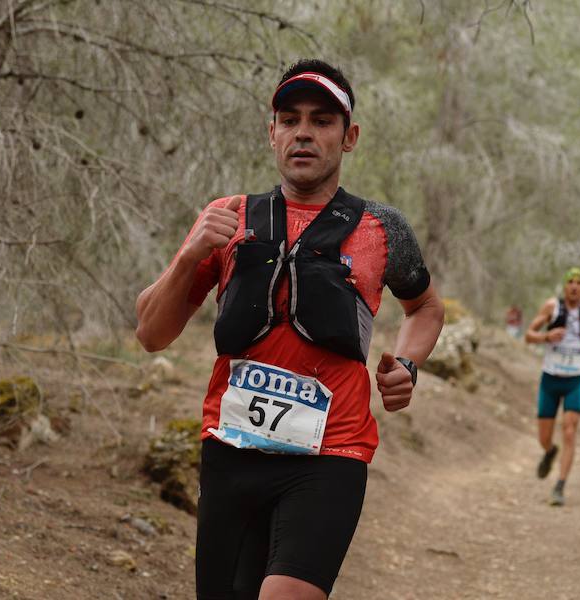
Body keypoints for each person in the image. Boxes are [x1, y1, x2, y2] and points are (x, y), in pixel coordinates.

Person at [135, 59, 444, 599]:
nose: (304, 132)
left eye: (322, 120)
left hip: (331, 455)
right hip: (230, 451)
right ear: (271, 131)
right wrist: (190, 255)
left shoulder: (382, 228)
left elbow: (425, 308)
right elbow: (151, 334)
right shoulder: (228, 217)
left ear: (349, 137)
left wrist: (408, 366)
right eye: (290, 118)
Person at [524, 267, 580, 506]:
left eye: (578, 282)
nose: (574, 286)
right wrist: (546, 337)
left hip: (575, 380)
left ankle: (560, 486)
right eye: (570, 281)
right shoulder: (552, 307)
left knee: (570, 430)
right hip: (550, 379)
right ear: (564, 286)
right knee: (544, 437)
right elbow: (528, 335)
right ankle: (550, 451)